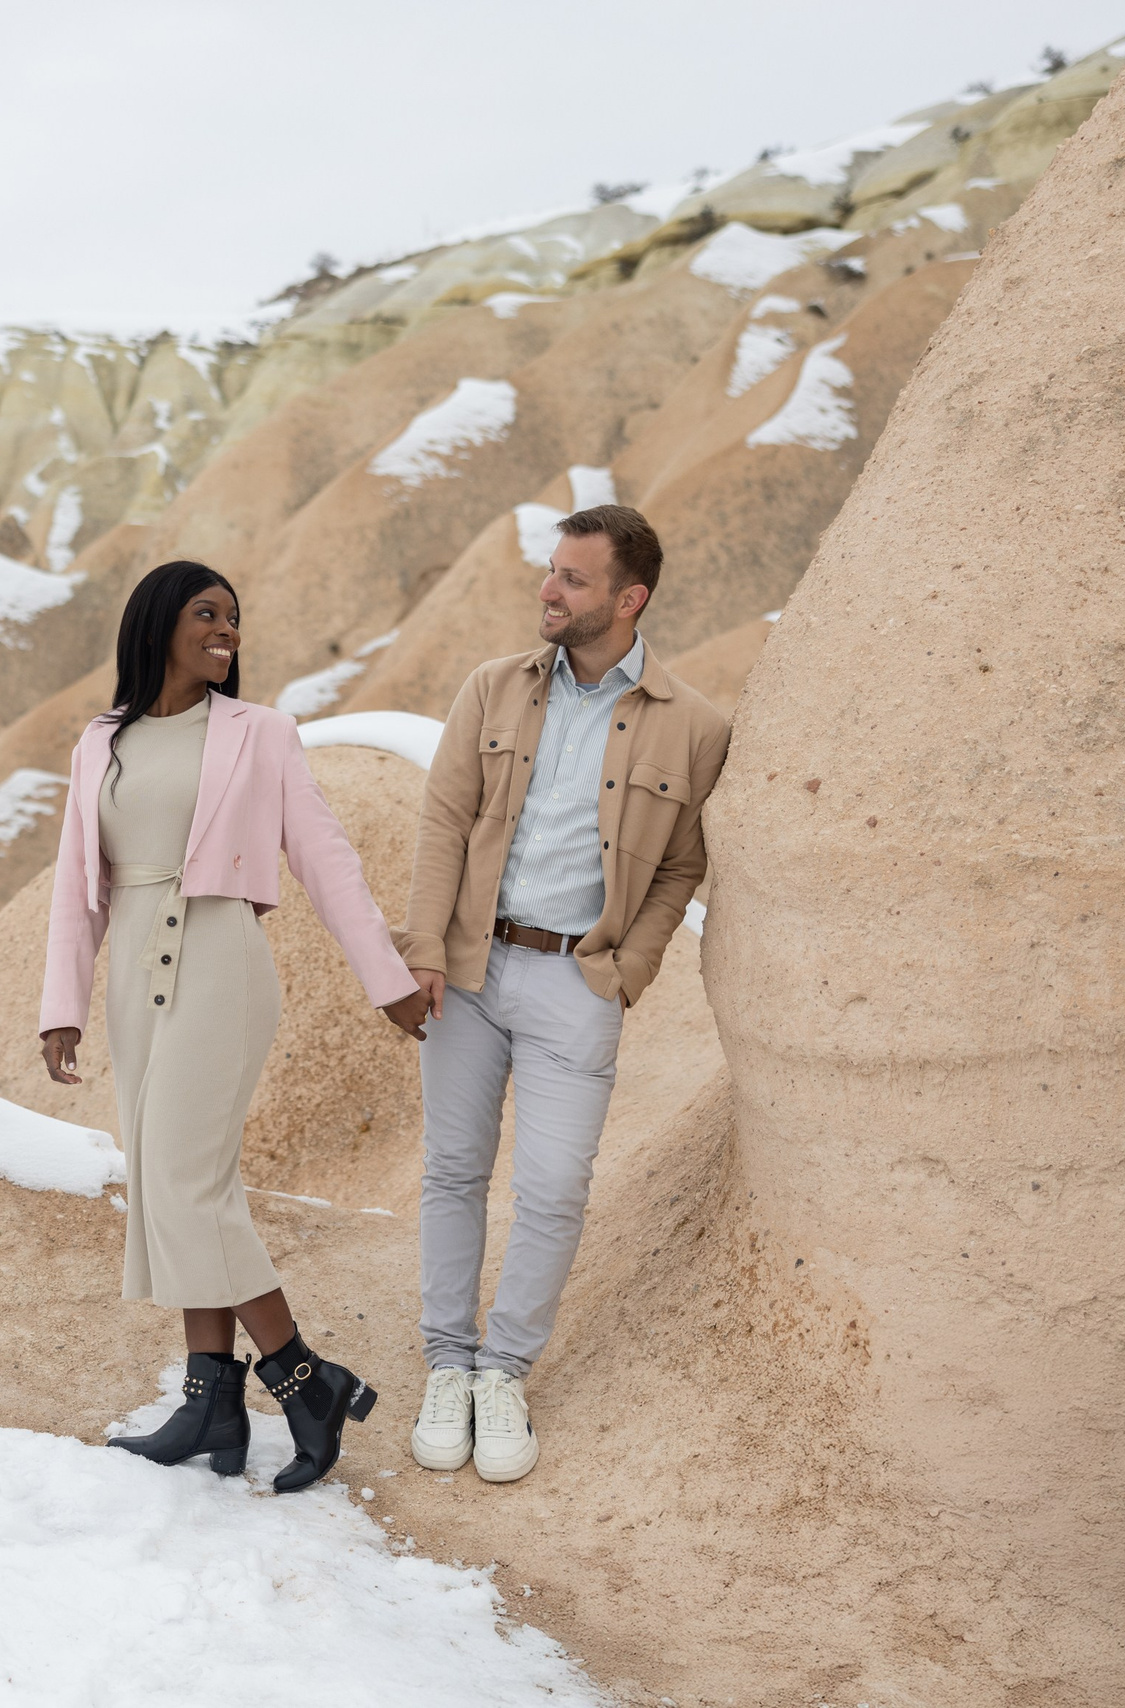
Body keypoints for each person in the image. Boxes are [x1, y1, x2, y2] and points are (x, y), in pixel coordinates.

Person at [38, 560, 429, 1493]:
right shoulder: (103, 742)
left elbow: (326, 859)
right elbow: (73, 887)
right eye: (207, 614)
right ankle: (212, 1402)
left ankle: (305, 1380)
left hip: (220, 963)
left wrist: (387, 980)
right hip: (136, 972)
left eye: (234, 618)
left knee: (185, 1177)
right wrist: (64, 1008)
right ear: (159, 623)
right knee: (169, 1184)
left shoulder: (262, 735)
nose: (226, 631)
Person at [395, 504, 728, 1483]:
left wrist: (631, 969)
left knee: (551, 1189)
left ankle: (503, 1372)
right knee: (454, 1168)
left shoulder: (695, 729)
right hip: (466, 968)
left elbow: (680, 868)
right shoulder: (490, 690)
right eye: (550, 572)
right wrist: (421, 948)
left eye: (573, 580)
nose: (549, 590)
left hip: (576, 984)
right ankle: (446, 1363)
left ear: (631, 599)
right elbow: (441, 822)